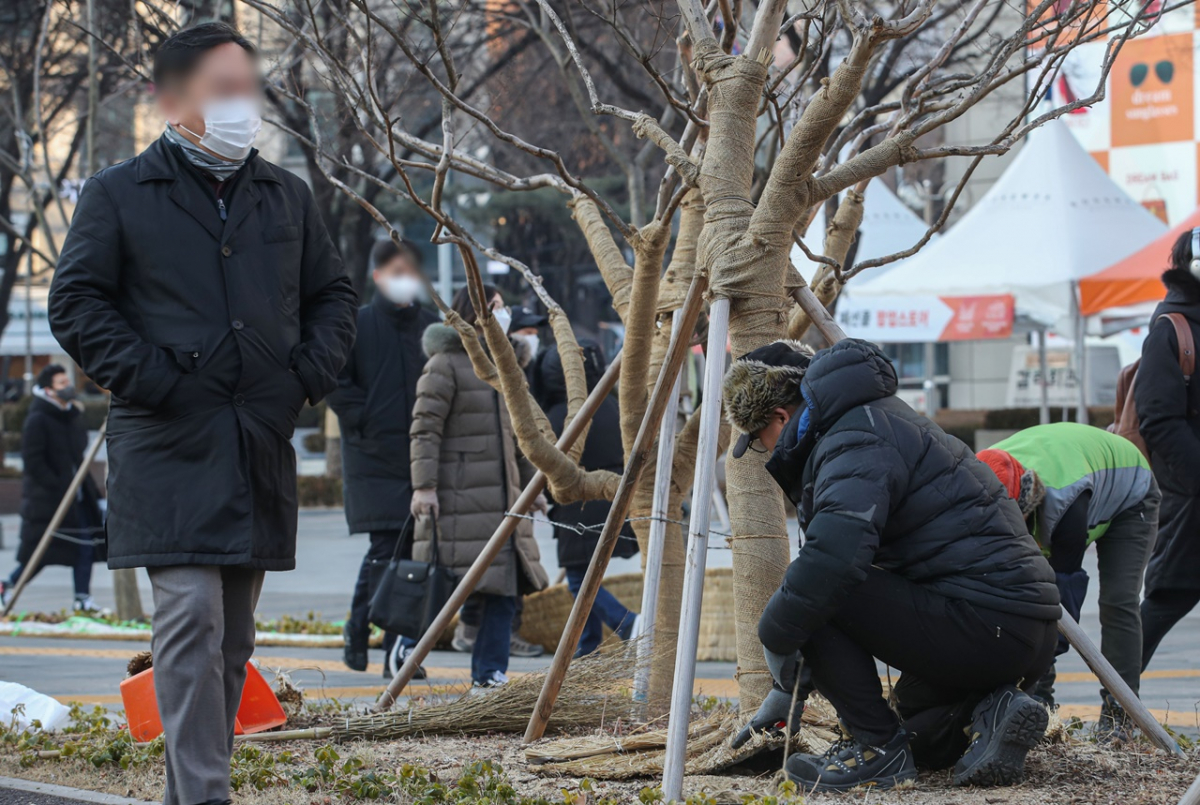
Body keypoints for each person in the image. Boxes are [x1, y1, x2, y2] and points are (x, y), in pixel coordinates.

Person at [48, 23, 356, 805]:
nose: (240, 103)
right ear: (174, 96)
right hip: (166, 444)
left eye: (246, 87)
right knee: (189, 621)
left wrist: (300, 379)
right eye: (222, 88)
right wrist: (151, 376)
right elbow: (75, 301)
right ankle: (206, 796)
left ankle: (194, 790)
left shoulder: (284, 194)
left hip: (256, 441)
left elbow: (333, 297)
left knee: (234, 641)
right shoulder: (118, 192)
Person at [725, 339, 1060, 792]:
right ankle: (993, 708)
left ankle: (875, 750)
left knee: (812, 597)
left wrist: (777, 645)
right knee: (921, 731)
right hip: (1017, 628)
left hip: (985, 620)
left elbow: (833, 562)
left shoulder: (852, 437)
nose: (764, 451)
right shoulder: (881, 417)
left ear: (780, 418)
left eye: (759, 441)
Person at [410, 285, 549, 690]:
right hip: (460, 501)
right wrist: (425, 487)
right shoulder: (445, 364)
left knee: (504, 590)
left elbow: (522, 437)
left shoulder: (507, 366)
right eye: (495, 307)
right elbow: (424, 430)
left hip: (505, 501)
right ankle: (403, 649)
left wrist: (533, 487)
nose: (503, 315)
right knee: (442, 589)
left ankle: (489, 675)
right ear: (473, 313)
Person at [978, 423, 1158, 734]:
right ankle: (1042, 706)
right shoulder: (976, 480)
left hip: (1131, 493)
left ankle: (1121, 717)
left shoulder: (1063, 509)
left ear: (1026, 503)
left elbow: (1061, 610)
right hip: (1082, 470)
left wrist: (1034, 681)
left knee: (1118, 601)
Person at [327, 237, 437, 678]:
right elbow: (335, 380)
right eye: (396, 272)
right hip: (373, 458)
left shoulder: (430, 326)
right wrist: (363, 420)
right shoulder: (358, 324)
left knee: (411, 556)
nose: (405, 280)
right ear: (377, 276)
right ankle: (360, 628)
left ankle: (395, 648)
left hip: (420, 458)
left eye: (410, 271)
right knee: (385, 550)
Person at [531, 341, 638, 656]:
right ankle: (587, 645)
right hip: (613, 499)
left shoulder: (560, 416)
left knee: (579, 579)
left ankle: (627, 624)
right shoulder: (610, 404)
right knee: (586, 576)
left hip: (579, 507)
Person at [1135, 228, 1200, 672]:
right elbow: (1158, 419)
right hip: (1191, 498)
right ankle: (1115, 709)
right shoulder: (1171, 328)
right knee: (1162, 601)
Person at [0, 365, 105, 612]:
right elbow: (34, 461)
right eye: (61, 383)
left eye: (67, 381)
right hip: (49, 501)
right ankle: (8, 584)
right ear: (48, 390)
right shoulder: (38, 419)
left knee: (85, 546)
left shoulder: (72, 416)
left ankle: (82, 599)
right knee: (41, 553)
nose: (67, 386)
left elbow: (79, 455)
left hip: (77, 498)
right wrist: (57, 486)